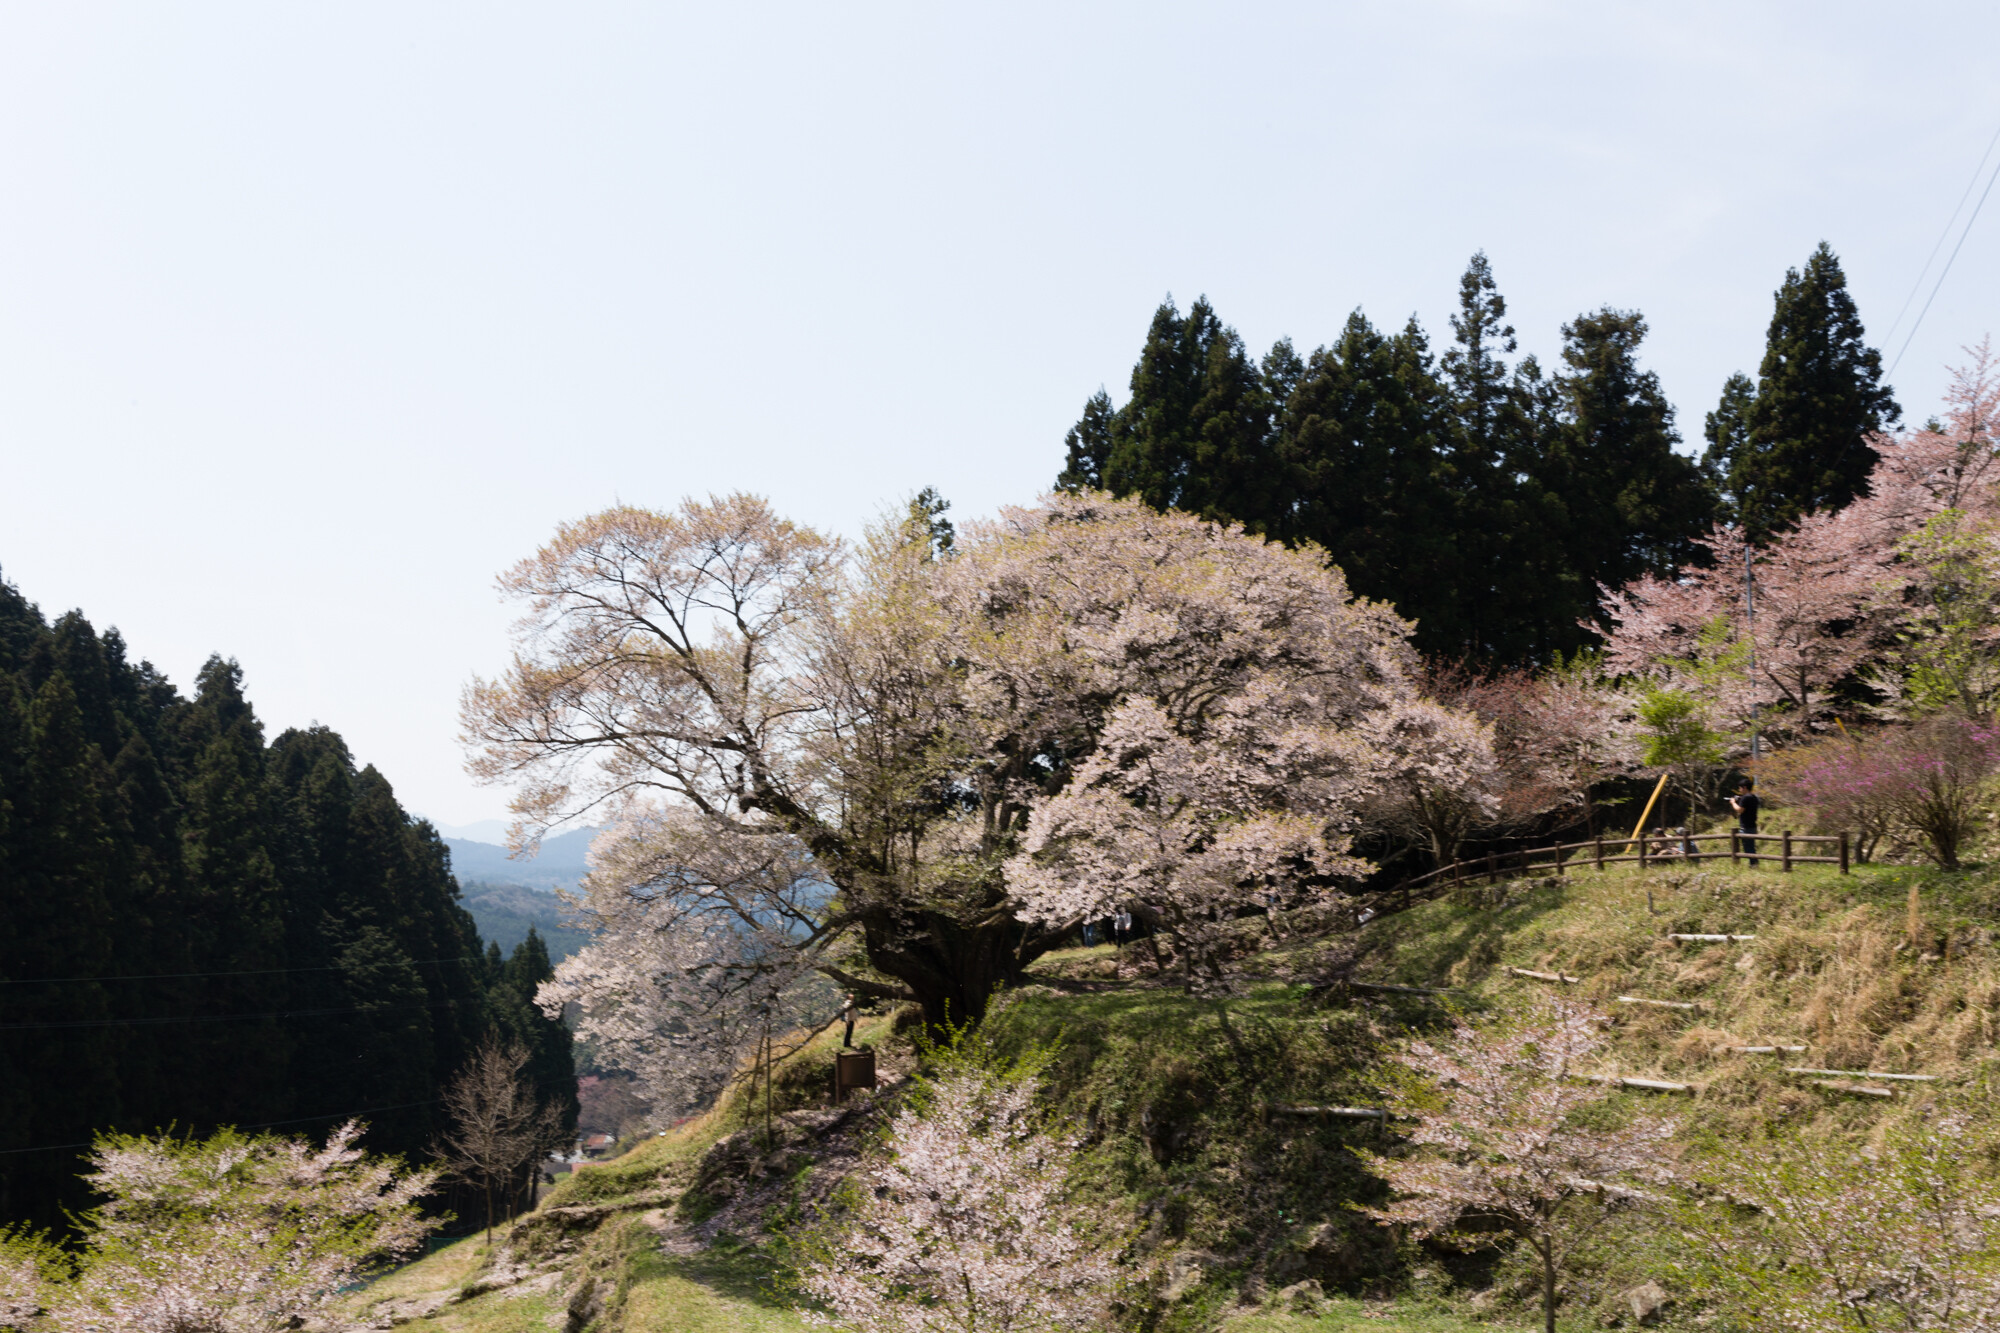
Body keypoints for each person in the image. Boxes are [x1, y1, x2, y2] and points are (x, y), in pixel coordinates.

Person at [1729, 777, 1760, 867]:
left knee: (1748, 848)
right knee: (1751, 846)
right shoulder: (1754, 797)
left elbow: (1739, 810)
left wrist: (1733, 802)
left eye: (1740, 788)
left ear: (1745, 787)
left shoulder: (1745, 798)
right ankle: (1754, 863)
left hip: (1746, 826)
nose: (1739, 790)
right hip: (1753, 825)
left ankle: (1754, 864)